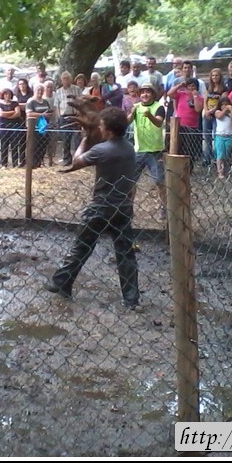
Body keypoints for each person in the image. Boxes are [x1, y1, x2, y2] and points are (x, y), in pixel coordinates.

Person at [45, 107, 140, 310]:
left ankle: (61, 281)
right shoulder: (129, 148)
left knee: (82, 247)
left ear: (109, 130)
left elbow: (75, 162)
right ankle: (131, 300)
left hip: (101, 208)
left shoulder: (102, 150)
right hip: (123, 207)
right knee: (125, 253)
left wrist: (85, 138)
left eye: (102, 126)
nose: (100, 128)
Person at [127, 82, 166, 217]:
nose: (145, 94)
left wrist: (149, 115)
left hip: (155, 151)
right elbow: (127, 122)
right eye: (142, 92)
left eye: (148, 92)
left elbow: (159, 122)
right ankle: (128, 208)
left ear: (153, 94)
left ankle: (164, 207)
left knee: (159, 181)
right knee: (130, 181)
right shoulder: (136, 107)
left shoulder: (159, 107)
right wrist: (131, 114)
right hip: (139, 150)